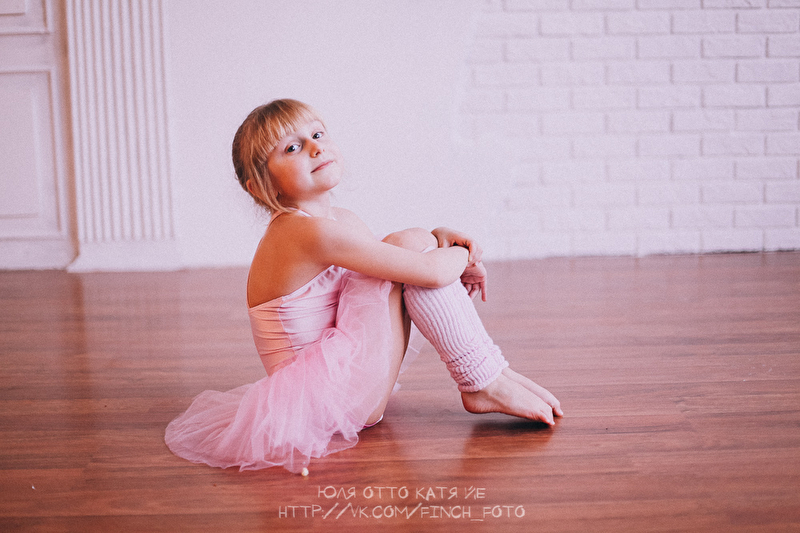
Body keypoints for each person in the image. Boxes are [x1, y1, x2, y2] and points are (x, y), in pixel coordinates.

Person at [165, 99, 562, 473]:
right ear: (260, 186)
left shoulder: (339, 220)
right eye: (292, 148)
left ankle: (491, 373)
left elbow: (398, 271)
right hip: (331, 403)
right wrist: (463, 254)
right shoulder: (300, 233)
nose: (315, 148)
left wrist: (438, 239)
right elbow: (428, 273)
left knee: (408, 243)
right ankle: (483, 380)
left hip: (348, 386)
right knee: (408, 245)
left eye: (317, 135)